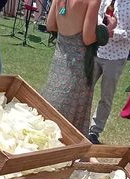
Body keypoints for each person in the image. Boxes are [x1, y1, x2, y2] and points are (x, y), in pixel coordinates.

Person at [41, 0, 115, 133]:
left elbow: (50, 24)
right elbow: (87, 38)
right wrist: (107, 29)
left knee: (50, 109)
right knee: (69, 119)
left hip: (59, 60)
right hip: (78, 66)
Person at [87, 0, 130, 144]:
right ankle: (79, 122)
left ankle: (94, 131)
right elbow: (96, 13)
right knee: (85, 89)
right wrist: (102, 28)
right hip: (96, 49)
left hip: (116, 55)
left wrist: (116, 33)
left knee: (106, 96)